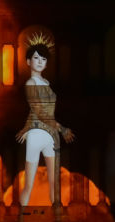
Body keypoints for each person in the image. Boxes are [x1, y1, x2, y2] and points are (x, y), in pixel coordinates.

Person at [15, 32, 75, 206]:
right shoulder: (31, 84)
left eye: (43, 59)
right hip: (38, 132)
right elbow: (38, 111)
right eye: (36, 58)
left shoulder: (47, 84)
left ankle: (56, 214)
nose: (40, 61)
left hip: (50, 133)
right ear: (28, 62)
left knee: (54, 179)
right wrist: (60, 128)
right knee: (30, 180)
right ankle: (22, 215)